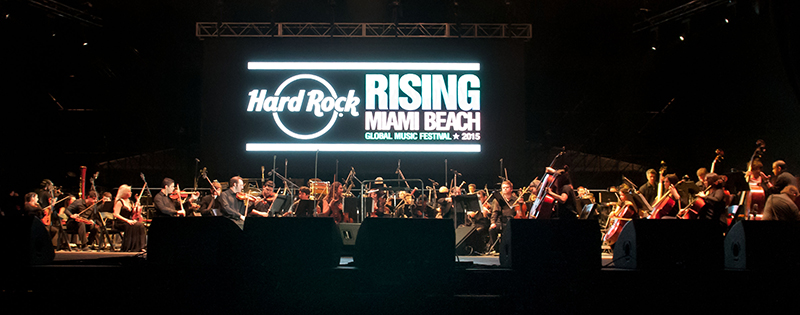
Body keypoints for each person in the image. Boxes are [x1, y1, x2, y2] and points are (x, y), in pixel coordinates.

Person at [112, 185, 147, 252]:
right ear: (124, 192)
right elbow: (116, 214)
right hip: (120, 222)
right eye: (129, 191)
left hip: (129, 221)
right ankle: (129, 247)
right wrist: (127, 220)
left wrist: (137, 208)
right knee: (132, 225)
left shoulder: (130, 202)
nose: (131, 193)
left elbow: (133, 214)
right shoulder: (119, 202)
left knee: (140, 225)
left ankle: (140, 246)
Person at [489, 180, 520, 252]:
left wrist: (521, 203)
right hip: (501, 221)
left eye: (507, 187)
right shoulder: (497, 200)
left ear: (511, 189)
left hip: (512, 221)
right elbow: (495, 212)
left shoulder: (516, 200)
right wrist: (493, 222)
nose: (505, 189)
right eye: (503, 188)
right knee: (492, 229)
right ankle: (496, 249)